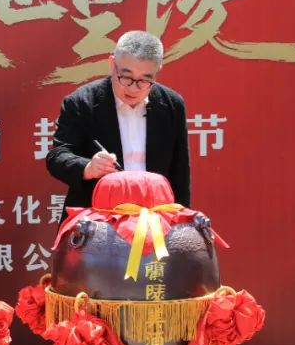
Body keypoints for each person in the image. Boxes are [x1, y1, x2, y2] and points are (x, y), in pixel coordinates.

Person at [45, 30, 190, 218]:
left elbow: (180, 172)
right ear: (112, 64)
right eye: (126, 77)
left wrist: (181, 221)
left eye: (144, 80)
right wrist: (88, 167)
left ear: (157, 71)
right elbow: (57, 156)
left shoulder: (172, 105)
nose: (133, 88)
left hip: (155, 219)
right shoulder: (81, 102)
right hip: (98, 219)